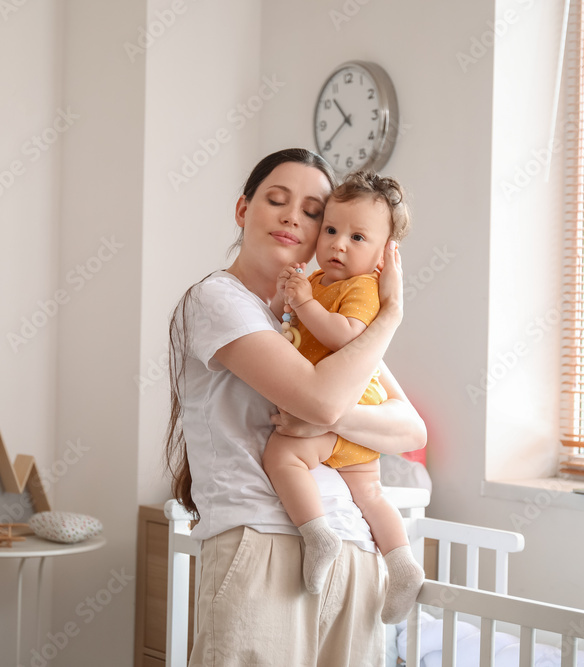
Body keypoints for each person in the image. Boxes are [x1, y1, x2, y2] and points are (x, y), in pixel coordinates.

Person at [165, 148, 427, 666]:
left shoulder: (326, 318)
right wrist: (390, 317)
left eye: (312, 211)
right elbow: (321, 399)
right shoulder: (219, 300)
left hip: (355, 551)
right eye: (276, 201)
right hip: (264, 544)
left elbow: (410, 429)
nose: (293, 217)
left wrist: (329, 417)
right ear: (243, 210)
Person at [263, 170, 424, 625]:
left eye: (357, 236)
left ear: (382, 257)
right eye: (331, 230)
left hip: (352, 407)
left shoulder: (363, 290)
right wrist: (284, 298)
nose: (337, 244)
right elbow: (282, 328)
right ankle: (402, 564)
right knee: (370, 495)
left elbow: (347, 336)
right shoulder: (314, 282)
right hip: (350, 420)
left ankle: (317, 535)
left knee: (282, 456)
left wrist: (305, 304)